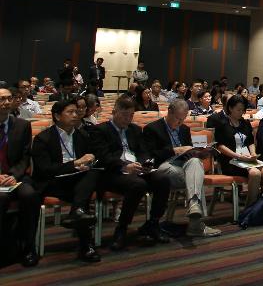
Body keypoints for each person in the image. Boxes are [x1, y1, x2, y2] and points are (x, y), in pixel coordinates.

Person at [92, 95, 171, 250]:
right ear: (114, 112)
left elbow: (143, 151)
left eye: (131, 115)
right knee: (138, 185)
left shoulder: (135, 129)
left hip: (136, 169)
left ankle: (153, 223)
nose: (128, 119)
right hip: (113, 172)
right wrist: (124, 166)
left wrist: (145, 163)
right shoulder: (100, 130)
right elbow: (103, 157)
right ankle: (122, 228)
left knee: (162, 179)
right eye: (124, 115)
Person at [31, 99, 101, 262]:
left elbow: (91, 157)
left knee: (94, 173)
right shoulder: (43, 138)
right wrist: (75, 164)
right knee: (83, 195)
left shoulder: (82, 135)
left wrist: (88, 162)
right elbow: (45, 169)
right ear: (57, 116)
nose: (75, 115)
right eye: (70, 112)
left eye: (76, 112)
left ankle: (77, 213)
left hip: (77, 181)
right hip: (54, 182)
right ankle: (86, 244)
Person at [142, 99, 220, 237]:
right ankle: (196, 224)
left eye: (183, 119)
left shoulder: (184, 129)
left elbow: (190, 151)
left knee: (195, 161)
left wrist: (200, 153)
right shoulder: (152, 128)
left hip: (184, 166)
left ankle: (194, 207)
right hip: (163, 168)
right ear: (169, 112)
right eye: (178, 118)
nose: (180, 122)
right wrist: (175, 150)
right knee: (196, 178)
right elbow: (151, 155)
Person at [0, 83, 41, 266]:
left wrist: (14, 175)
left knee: (30, 195)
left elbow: (25, 156)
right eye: (2, 99)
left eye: (9, 98)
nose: (6, 102)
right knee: (1, 198)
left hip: (16, 176)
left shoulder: (22, 125)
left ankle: (28, 247)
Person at [214, 95, 263, 208]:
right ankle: (250, 208)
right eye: (238, 110)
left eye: (243, 110)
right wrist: (238, 156)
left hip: (247, 159)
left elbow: (250, 142)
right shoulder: (221, 123)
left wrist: (253, 153)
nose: (241, 113)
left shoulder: (245, 123)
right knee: (255, 173)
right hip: (231, 160)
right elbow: (220, 146)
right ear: (230, 108)